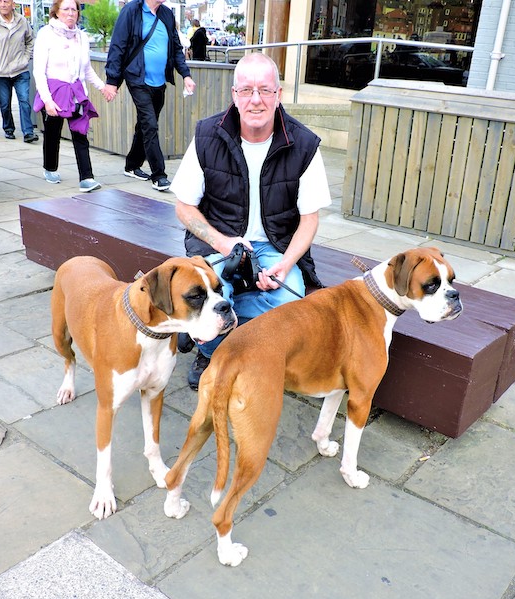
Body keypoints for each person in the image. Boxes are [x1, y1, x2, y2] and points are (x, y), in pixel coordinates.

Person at [170, 53, 332, 390]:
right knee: (208, 289)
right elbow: (184, 207)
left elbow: (309, 219)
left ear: (279, 94)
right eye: (245, 90)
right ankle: (211, 351)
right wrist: (223, 244)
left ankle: (201, 331)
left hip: (275, 248)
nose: (255, 100)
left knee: (289, 303)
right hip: (220, 244)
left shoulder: (304, 144)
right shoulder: (206, 135)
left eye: (264, 90)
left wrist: (286, 265)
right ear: (234, 95)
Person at [103, 0, 195, 192]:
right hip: (137, 79)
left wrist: (185, 75)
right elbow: (118, 46)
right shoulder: (131, 11)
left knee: (145, 124)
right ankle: (159, 175)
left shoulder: (166, 14)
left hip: (159, 82)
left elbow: (176, 48)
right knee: (150, 125)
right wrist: (112, 81)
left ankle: (132, 165)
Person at [33, 0, 109, 192]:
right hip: (55, 92)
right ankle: (50, 168)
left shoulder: (82, 36)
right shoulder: (45, 34)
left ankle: (87, 177)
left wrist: (103, 87)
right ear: (56, 12)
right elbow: (38, 71)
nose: (70, 13)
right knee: (52, 133)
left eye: (73, 9)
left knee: (80, 132)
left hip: (76, 93)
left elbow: (87, 69)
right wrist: (47, 101)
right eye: (65, 9)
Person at [0, 0, 37, 142]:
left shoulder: (21, 21)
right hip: (1, 70)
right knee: (4, 104)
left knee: (24, 101)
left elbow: (30, 40)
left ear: (13, 4)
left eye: (6, 1)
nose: (3, 4)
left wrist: (26, 57)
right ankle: (9, 128)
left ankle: (28, 132)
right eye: (0, 1)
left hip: (20, 69)